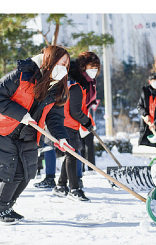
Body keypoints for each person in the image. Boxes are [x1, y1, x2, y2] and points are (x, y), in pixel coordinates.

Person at [0, 46, 71, 223]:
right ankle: (0, 210)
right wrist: (21, 115)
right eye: (61, 62)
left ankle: (8, 207)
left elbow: (55, 117)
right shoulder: (22, 75)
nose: (64, 67)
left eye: (67, 64)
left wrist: (61, 137)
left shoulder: (56, 87)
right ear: (49, 60)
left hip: (30, 132)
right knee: (13, 173)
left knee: (27, 174)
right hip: (6, 129)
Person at [53, 52, 99, 201]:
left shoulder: (76, 82)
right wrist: (87, 122)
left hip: (67, 123)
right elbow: (75, 111)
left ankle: (61, 186)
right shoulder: (76, 86)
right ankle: (74, 189)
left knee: (70, 154)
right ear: (82, 67)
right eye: (91, 67)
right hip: (66, 122)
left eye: (96, 68)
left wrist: (86, 122)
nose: (94, 70)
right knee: (72, 154)